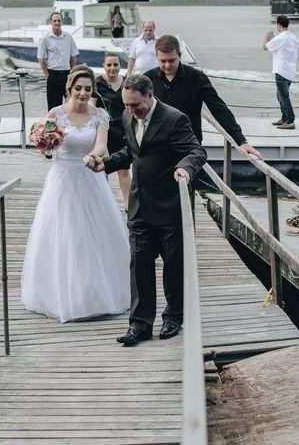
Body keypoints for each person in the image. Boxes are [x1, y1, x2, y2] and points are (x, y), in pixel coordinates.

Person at [85, 75, 207, 345]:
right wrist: (104, 163)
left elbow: (196, 152)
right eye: (127, 105)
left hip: (169, 205)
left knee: (173, 266)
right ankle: (140, 324)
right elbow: (130, 152)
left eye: (136, 105)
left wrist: (184, 168)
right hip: (140, 205)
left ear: (150, 96)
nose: (130, 110)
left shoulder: (175, 119)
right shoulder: (129, 117)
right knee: (139, 264)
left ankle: (173, 317)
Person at [21, 67, 130, 323]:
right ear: (69, 89)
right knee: (65, 233)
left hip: (90, 176)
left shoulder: (100, 115)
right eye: (78, 88)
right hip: (62, 178)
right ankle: (62, 295)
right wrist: (44, 146)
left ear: (93, 90)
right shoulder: (55, 114)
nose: (82, 93)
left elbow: (101, 144)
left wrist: (95, 155)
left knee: (92, 235)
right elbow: (47, 146)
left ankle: (95, 293)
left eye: (88, 89)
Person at [145, 34, 261, 158]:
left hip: (189, 145)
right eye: (163, 61)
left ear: (179, 55)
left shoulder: (196, 77)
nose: (167, 65)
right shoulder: (148, 79)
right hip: (157, 145)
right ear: (156, 57)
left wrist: (241, 141)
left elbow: (218, 108)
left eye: (172, 60)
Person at [95, 53, 132, 209]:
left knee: (123, 169)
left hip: (123, 130)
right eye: (109, 65)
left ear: (120, 66)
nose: (112, 68)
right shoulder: (97, 84)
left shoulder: (127, 83)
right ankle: (105, 205)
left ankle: (128, 204)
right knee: (102, 169)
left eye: (115, 65)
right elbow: (91, 107)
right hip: (103, 129)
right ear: (103, 65)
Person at [264, 15, 299, 130]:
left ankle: (290, 120)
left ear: (279, 25)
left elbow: (265, 47)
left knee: (283, 97)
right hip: (290, 71)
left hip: (281, 71)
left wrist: (266, 38)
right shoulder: (293, 37)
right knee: (280, 96)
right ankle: (284, 118)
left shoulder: (280, 38)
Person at [38, 11, 79, 110]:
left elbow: (73, 56)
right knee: (54, 108)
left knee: (72, 106)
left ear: (62, 22)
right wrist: (48, 76)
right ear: (51, 22)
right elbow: (41, 58)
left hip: (67, 75)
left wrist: (72, 73)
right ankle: (54, 125)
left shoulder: (68, 37)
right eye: (54, 20)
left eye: (59, 20)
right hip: (53, 76)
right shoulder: (45, 39)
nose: (57, 23)